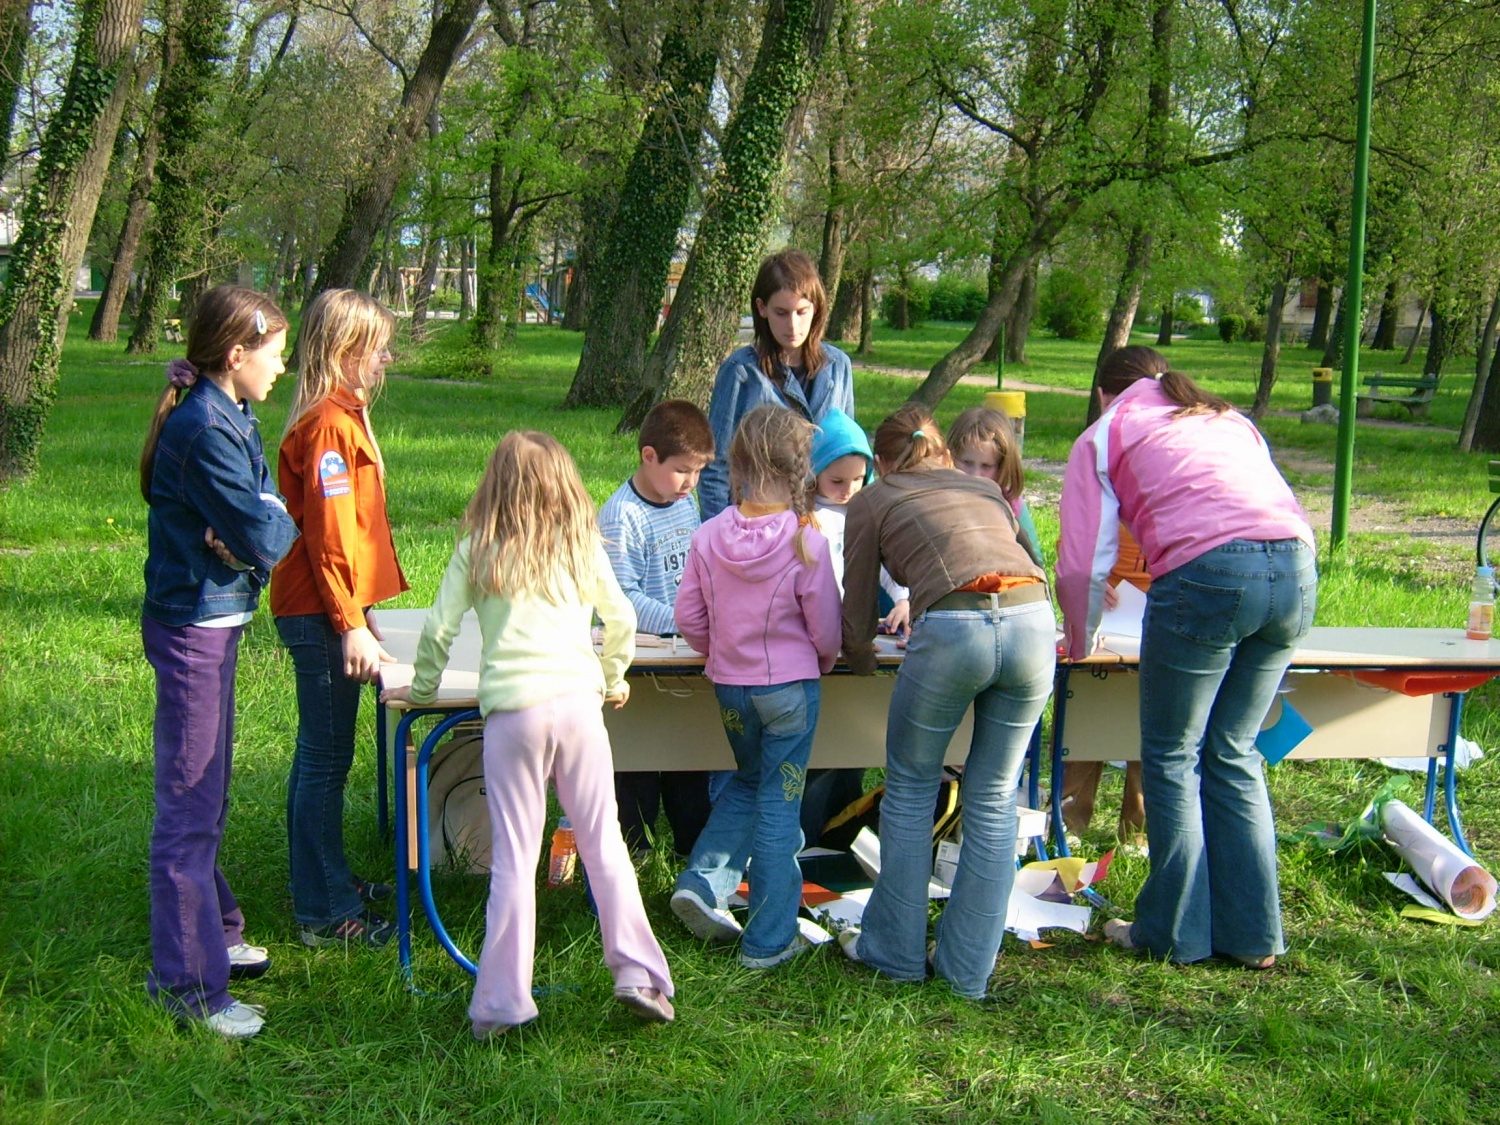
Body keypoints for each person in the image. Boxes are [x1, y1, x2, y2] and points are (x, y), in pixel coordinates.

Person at [382, 432, 675, 1035]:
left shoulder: (478, 547)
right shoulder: (581, 545)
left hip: (514, 715)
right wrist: (614, 677)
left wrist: (426, 689)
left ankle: (503, 1002)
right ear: (566, 485)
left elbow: (438, 629)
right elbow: (621, 617)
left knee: (515, 859)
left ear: (495, 485)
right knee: (604, 844)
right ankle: (639, 975)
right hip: (579, 706)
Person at [1055, 345, 1317, 969]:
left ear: (1102, 394)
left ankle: (1173, 933)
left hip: (1207, 577)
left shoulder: (1106, 431)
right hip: (1296, 570)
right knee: (1233, 751)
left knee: (1173, 756)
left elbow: (1083, 562)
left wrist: (1079, 640)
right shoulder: (1224, 415)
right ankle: (1254, 937)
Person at [838, 404, 1055, 1000]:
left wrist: (860, 664)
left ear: (880, 462)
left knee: (911, 788)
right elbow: (1033, 565)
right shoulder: (982, 490)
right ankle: (967, 972)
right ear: (941, 451)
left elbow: (856, 609)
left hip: (954, 629)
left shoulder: (872, 500)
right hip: (1034, 622)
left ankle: (894, 954)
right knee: (994, 797)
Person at [139, 286, 298, 1038]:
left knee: (209, 789)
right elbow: (268, 537)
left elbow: (266, 518)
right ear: (236, 355)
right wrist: (254, 530)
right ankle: (188, 988)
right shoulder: (204, 427)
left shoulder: (230, 412)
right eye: (275, 354)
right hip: (192, 631)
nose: (283, 367)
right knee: (190, 807)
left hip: (214, 622)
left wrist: (255, 524)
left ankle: (218, 933)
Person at [669, 404, 842, 968]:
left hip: (731, 691)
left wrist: (719, 649)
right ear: (802, 469)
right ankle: (768, 939)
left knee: (747, 782)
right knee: (779, 802)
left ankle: (702, 882)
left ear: (736, 463)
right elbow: (826, 627)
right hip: (790, 690)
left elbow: (688, 617)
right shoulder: (806, 540)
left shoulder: (708, 535)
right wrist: (824, 659)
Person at [271, 289, 408, 948]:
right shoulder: (329, 425)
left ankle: (323, 881)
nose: (386, 359)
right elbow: (328, 539)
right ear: (346, 350)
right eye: (378, 347)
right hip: (318, 611)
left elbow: (353, 535)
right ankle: (325, 913)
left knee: (321, 757)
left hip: (333, 608)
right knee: (326, 761)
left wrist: (364, 611)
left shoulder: (343, 416)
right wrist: (349, 622)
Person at [945, 406, 1144, 847]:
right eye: (966, 463)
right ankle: (960, 824)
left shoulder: (1012, 506)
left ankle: (1123, 831)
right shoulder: (939, 500)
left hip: (1020, 634)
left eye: (986, 466)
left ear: (1004, 469)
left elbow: (1036, 567)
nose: (975, 475)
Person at [599, 398, 715, 859]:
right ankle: (635, 856)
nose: (691, 482)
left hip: (687, 656)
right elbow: (621, 600)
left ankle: (693, 854)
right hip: (640, 664)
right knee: (637, 768)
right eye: (682, 470)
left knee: (689, 761)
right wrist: (686, 621)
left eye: (699, 471)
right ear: (649, 456)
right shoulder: (621, 515)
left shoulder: (685, 503)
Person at [697, 248, 854, 521]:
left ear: (816, 308)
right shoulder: (740, 371)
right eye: (781, 313)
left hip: (822, 521)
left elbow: (849, 450)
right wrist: (719, 533)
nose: (793, 325)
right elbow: (715, 466)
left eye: (802, 312)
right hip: (757, 522)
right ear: (762, 308)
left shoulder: (838, 366)